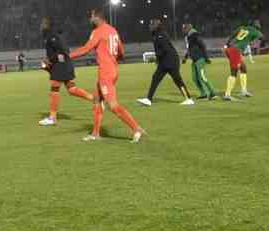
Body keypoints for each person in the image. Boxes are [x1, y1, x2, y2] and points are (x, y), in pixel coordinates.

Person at [70, 8, 146, 143]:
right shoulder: (113, 30)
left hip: (105, 72)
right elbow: (121, 51)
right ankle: (95, 133)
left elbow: (86, 49)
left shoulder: (98, 31)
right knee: (97, 100)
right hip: (113, 70)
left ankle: (136, 128)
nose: (90, 19)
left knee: (113, 105)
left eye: (91, 17)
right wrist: (113, 60)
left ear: (96, 17)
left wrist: (68, 56)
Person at [38, 17, 94, 126]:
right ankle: (95, 99)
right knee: (72, 89)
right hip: (64, 64)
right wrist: (49, 62)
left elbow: (62, 51)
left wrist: (51, 61)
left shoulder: (53, 36)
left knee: (54, 88)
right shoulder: (53, 35)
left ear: (48, 24)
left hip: (61, 65)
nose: (41, 25)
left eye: (43, 23)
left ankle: (52, 118)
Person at [137, 19, 194, 107]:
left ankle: (189, 99)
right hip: (166, 61)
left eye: (151, 25)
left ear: (156, 26)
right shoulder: (157, 34)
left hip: (170, 61)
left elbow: (165, 49)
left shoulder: (161, 35)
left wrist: (155, 57)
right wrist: (158, 59)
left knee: (177, 80)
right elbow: (161, 50)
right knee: (156, 78)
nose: (150, 26)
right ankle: (148, 99)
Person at [223, 21, 263, 100]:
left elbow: (232, 35)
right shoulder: (255, 31)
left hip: (230, 49)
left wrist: (226, 44)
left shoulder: (242, 27)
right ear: (256, 26)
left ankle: (244, 91)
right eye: (258, 24)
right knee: (234, 72)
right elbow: (262, 37)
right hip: (235, 51)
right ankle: (227, 94)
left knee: (243, 68)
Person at [182, 24, 216, 101]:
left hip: (200, 58)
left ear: (188, 29)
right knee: (195, 78)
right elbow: (189, 49)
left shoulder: (195, 35)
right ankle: (203, 93)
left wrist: (206, 57)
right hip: (194, 60)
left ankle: (212, 93)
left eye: (184, 29)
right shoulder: (188, 37)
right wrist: (185, 58)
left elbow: (203, 45)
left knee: (202, 77)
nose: (183, 30)